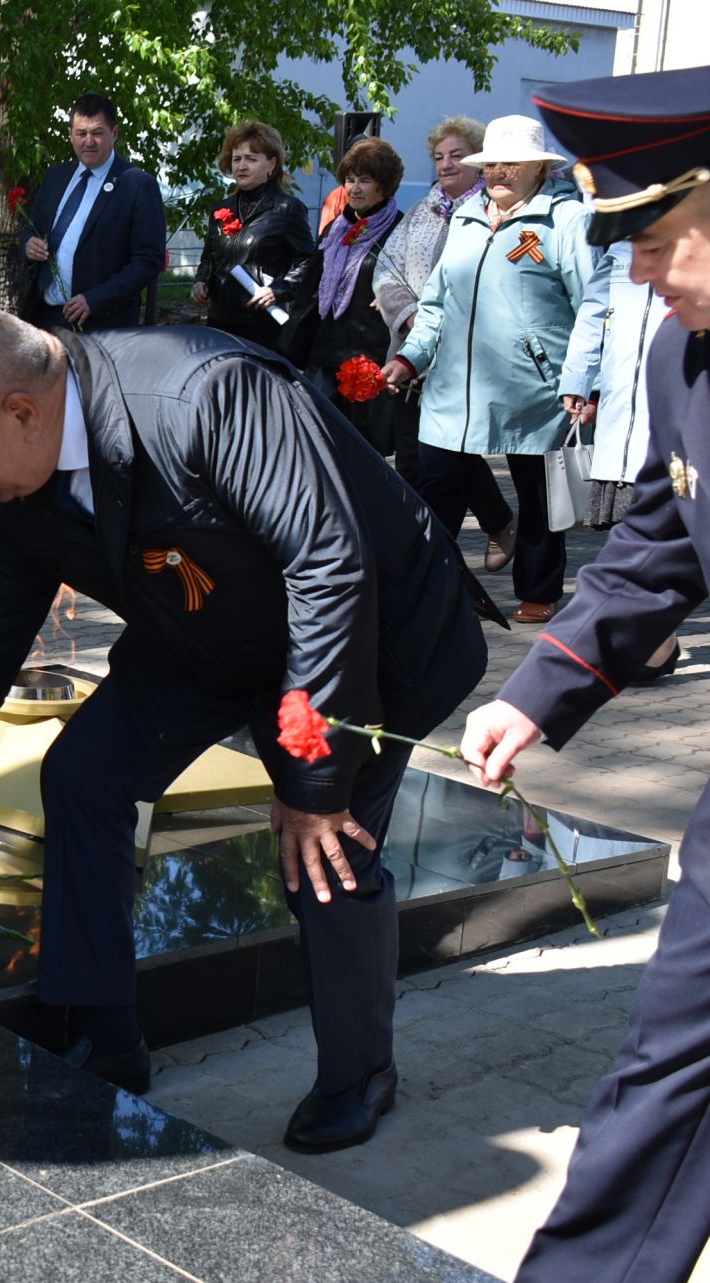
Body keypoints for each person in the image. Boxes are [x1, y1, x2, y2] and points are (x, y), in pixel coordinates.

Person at [0, 302, 494, 1153]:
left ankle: (359, 1071)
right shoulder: (19, 477)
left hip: (365, 645)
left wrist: (311, 780)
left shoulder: (208, 394)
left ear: (22, 412)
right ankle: (103, 1027)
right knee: (84, 773)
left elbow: (330, 568)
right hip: (203, 632)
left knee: (324, 850)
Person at [457, 64, 710, 1283]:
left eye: (657, 242)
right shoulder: (684, 358)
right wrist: (533, 692)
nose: (643, 280)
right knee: (673, 1054)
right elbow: (660, 549)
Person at [383, 115, 602, 625]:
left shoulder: (564, 221)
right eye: (492, 163)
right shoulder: (465, 218)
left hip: (536, 387)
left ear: (539, 169)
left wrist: (583, 381)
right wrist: (408, 357)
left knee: (539, 494)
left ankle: (539, 589)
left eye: (512, 163)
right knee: (434, 489)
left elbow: (593, 304)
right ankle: (433, 587)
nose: (499, 172)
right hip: (453, 385)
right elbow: (436, 303)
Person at [569, 237, 682, 682]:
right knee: (636, 531)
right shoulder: (620, 248)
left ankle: (655, 638)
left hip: (676, 407)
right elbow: (595, 313)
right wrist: (581, 380)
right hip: (624, 412)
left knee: (670, 531)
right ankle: (656, 640)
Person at [375, 116, 498, 500]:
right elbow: (385, 270)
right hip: (413, 348)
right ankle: (481, 529)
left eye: (456, 155)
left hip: (462, 358)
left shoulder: (491, 213)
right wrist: (411, 315)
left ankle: (483, 528)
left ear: (478, 159)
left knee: (449, 459)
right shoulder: (421, 211)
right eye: (438, 156)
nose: (445, 164)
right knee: (412, 458)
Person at [291, 137, 406, 460]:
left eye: (365, 180)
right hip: (327, 355)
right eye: (350, 179)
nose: (354, 188)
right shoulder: (336, 231)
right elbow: (311, 294)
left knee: (368, 454)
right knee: (322, 446)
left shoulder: (399, 230)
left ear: (385, 185)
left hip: (372, 354)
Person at [15, 92, 166, 337]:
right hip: (45, 319)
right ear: (71, 135)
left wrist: (96, 300)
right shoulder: (56, 177)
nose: (88, 141)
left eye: (97, 133)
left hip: (103, 325)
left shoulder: (137, 185)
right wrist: (29, 244)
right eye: (80, 133)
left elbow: (148, 260)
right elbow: (32, 229)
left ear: (114, 134)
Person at [191, 121, 316, 355]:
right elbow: (209, 257)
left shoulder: (287, 209)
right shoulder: (222, 208)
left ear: (272, 164)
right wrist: (201, 281)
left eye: (251, 158)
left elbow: (308, 261)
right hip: (219, 322)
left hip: (262, 325)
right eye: (236, 159)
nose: (242, 166)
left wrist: (278, 290)